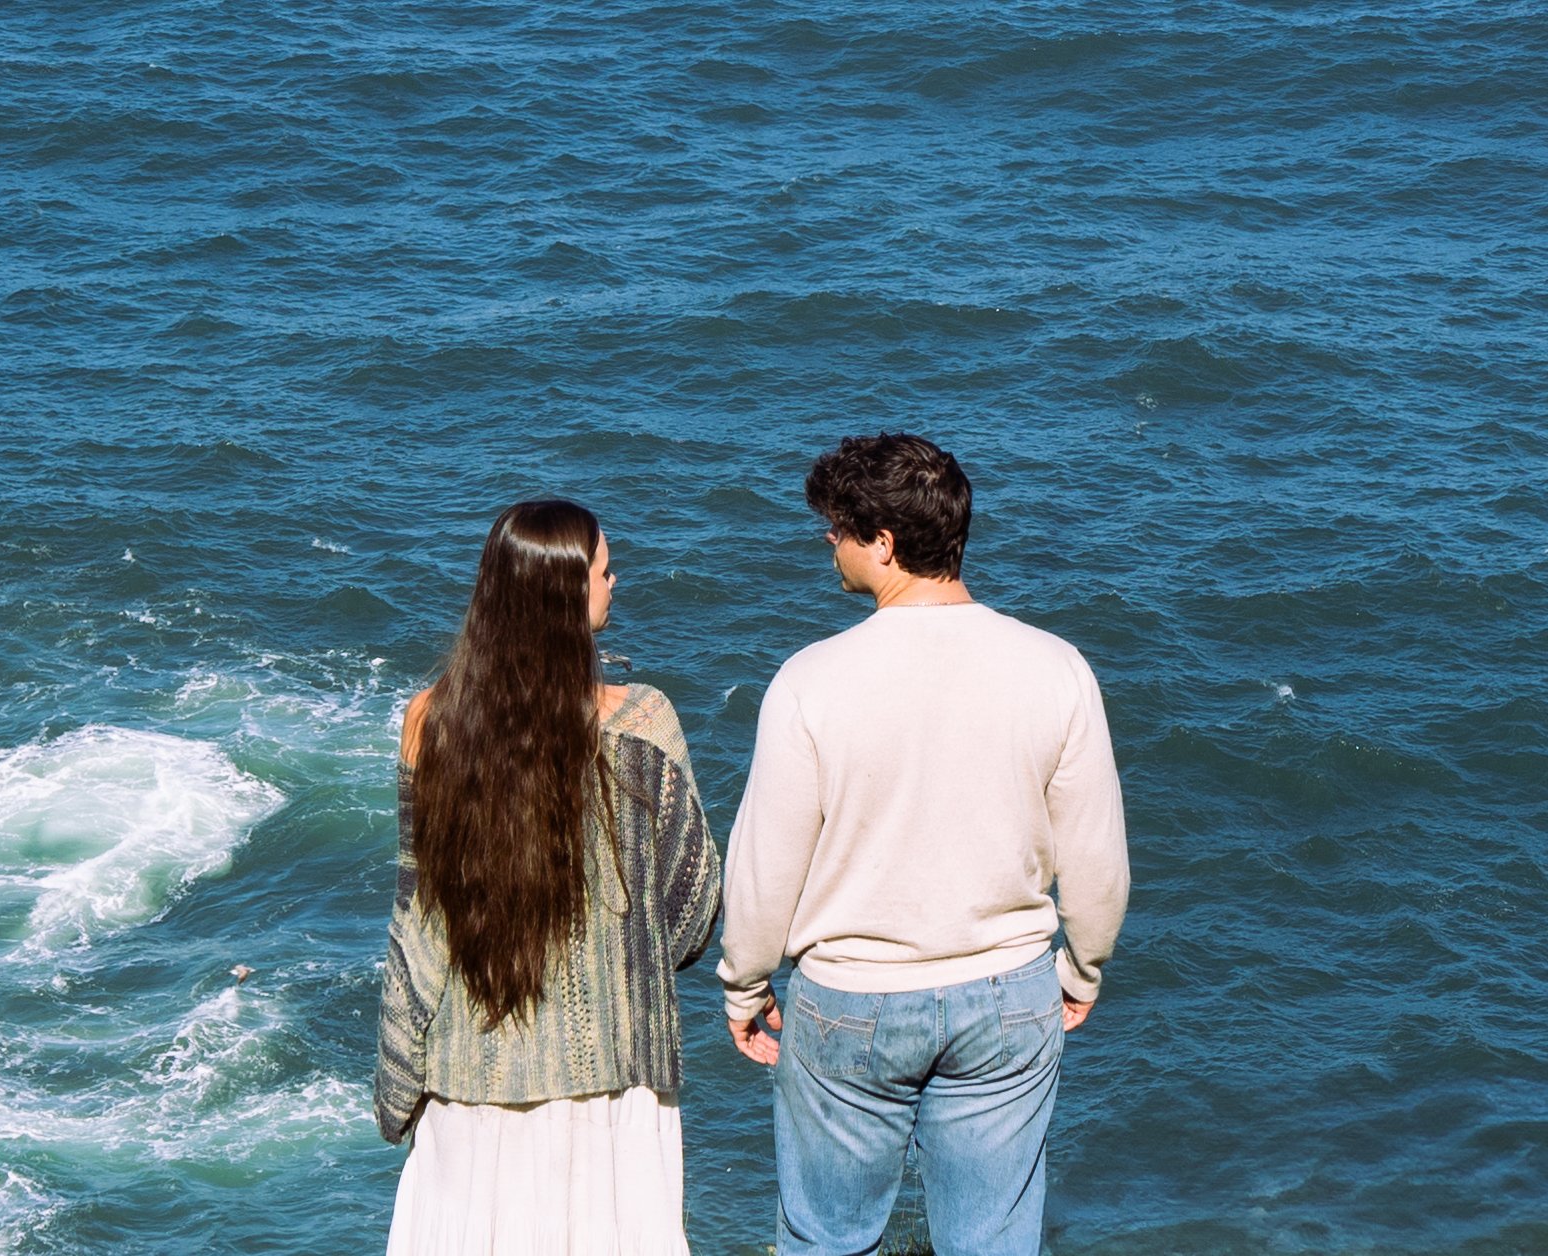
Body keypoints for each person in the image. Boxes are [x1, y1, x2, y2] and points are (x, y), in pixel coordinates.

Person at [718, 434, 1131, 1256]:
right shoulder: (1055, 667)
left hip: (849, 999)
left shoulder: (812, 678)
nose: (826, 543)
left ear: (883, 543)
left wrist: (745, 984)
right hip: (1008, 995)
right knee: (992, 1241)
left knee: (827, 1238)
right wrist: (1081, 969)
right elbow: (1095, 857)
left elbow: (767, 864)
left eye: (836, 528)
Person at [376, 499, 722, 1255]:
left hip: (471, 1079)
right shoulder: (644, 723)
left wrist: (398, 1078)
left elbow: (418, 920)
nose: (615, 581)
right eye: (603, 570)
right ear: (567, 595)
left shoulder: (428, 724)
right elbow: (693, 907)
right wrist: (621, 965)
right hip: (615, 1082)